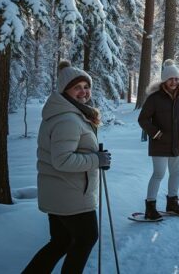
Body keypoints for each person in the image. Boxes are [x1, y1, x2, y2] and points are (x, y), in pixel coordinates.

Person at [24, 60, 110, 274]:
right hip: (71, 194)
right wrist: (96, 160)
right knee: (86, 238)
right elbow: (62, 161)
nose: (83, 92)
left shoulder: (71, 114)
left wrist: (95, 159)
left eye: (86, 86)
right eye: (77, 87)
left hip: (61, 192)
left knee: (61, 241)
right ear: (65, 91)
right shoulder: (68, 119)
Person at [138, 59, 179, 220]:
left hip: (177, 143)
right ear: (164, 80)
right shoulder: (154, 98)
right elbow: (143, 119)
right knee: (159, 174)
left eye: (176, 79)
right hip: (160, 144)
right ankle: (150, 208)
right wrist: (156, 134)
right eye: (170, 79)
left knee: (175, 173)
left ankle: (172, 204)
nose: (174, 82)